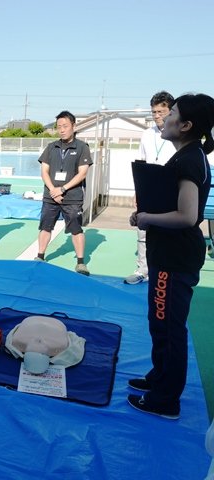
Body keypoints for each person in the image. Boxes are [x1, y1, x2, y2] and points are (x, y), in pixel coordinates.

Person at [127, 93, 214, 420]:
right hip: (170, 254)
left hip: (175, 258)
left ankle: (166, 399)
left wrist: (147, 218)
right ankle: (160, 377)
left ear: (187, 125)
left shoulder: (189, 160)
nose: (163, 118)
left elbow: (188, 216)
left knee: (169, 326)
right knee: (160, 322)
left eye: (172, 113)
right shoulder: (189, 156)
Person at [124, 91, 177, 284]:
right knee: (143, 230)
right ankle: (143, 270)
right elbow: (141, 163)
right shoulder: (146, 134)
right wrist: (138, 191)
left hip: (171, 190)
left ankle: (167, 271)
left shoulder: (178, 134)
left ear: (171, 111)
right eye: (154, 112)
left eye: (161, 111)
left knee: (169, 231)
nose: (156, 115)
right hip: (148, 190)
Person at [35, 110, 92, 275]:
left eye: (65, 126)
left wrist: (63, 189)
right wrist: (53, 189)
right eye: (59, 126)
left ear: (73, 126)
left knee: (76, 228)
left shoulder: (82, 147)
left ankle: (81, 262)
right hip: (50, 196)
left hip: (72, 197)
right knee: (45, 227)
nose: (61, 129)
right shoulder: (51, 147)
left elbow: (82, 173)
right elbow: (44, 171)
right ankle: (40, 256)